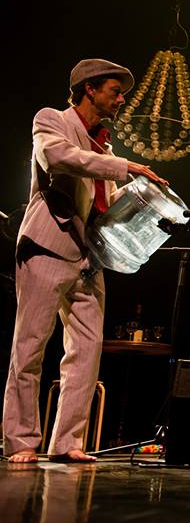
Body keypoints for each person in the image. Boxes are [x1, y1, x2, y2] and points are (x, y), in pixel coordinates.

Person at [3, 59, 166, 463]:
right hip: (47, 248)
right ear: (90, 89)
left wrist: (148, 209)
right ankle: (21, 441)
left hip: (87, 257)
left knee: (87, 352)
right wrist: (125, 166)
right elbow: (59, 158)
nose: (122, 98)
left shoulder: (104, 145)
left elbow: (103, 204)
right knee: (30, 349)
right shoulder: (52, 121)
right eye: (115, 89)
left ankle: (67, 442)